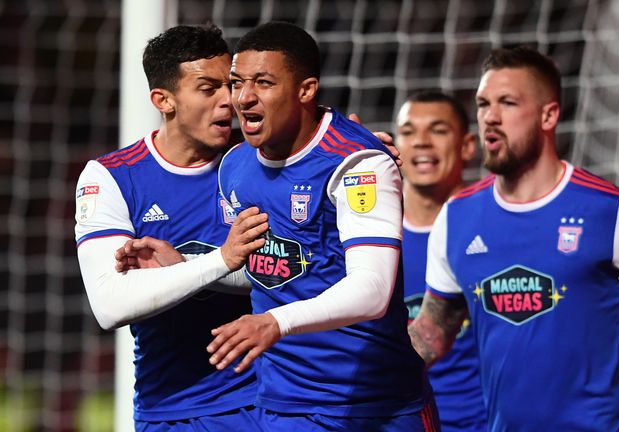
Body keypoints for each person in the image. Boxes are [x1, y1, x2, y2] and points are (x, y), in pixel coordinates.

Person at [408, 46, 619, 432]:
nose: (490, 117)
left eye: (508, 103)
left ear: (549, 115)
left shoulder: (610, 211)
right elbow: (432, 332)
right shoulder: (457, 218)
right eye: (483, 104)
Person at [206, 21, 438, 431]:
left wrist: (276, 322)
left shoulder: (358, 162)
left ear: (306, 90)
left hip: (376, 405)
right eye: (237, 82)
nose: (243, 98)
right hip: (282, 405)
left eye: (263, 82)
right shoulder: (234, 168)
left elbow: (372, 289)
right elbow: (265, 272)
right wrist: (191, 266)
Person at [74, 25, 270, 430]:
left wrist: (360, 156)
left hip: (271, 398)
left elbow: (303, 270)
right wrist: (220, 260)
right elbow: (111, 305)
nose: (228, 101)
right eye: (207, 88)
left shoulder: (259, 161)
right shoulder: (113, 177)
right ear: (163, 100)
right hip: (177, 407)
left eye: (228, 85)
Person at [395, 91, 486, 432]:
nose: (421, 142)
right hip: (399, 421)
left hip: (485, 422)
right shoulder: (364, 234)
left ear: (467, 146)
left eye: (437, 130)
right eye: (408, 131)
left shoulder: (495, 226)